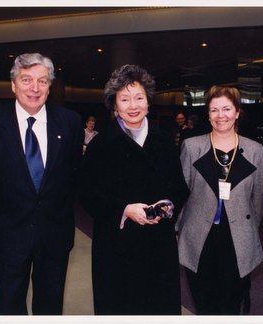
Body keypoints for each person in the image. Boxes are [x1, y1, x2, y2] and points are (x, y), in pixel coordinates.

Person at [0, 53, 83, 315]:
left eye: (42, 81)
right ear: (13, 84)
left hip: (55, 234)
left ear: (49, 86)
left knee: (50, 307)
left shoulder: (70, 123)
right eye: (26, 80)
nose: (35, 88)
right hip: (9, 233)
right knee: (9, 305)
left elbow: (73, 176)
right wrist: (10, 208)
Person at [79, 64, 189, 315]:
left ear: (148, 102)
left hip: (158, 243)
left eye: (139, 97)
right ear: (114, 105)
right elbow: (87, 192)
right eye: (125, 99)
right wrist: (124, 209)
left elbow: (179, 187)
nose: (133, 105)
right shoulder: (101, 145)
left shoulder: (165, 141)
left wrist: (168, 206)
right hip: (116, 244)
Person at [176, 85, 263, 315]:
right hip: (199, 235)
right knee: (204, 300)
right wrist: (177, 229)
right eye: (214, 110)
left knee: (231, 301)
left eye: (226, 109)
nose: (220, 115)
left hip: (237, 236)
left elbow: (259, 195)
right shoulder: (192, 146)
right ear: (208, 115)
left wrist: (249, 228)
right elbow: (181, 191)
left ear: (237, 112)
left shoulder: (254, 149)